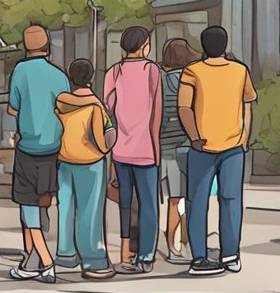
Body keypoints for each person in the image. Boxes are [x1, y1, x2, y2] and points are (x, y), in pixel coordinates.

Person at [178, 26, 257, 276]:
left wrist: (194, 137)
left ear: (203, 46)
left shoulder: (192, 71)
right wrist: (244, 136)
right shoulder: (240, 70)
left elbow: (184, 108)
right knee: (231, 201)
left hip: (201, 147)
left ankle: (199, 257)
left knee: (197, 202)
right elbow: (247, 106)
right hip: (234, 146)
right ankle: (231, 254)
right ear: (224, 45)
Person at [6, 24, 68, 283]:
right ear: (47, 46)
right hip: (54, 147)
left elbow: (13, 108)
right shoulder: (59, 75)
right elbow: (64, 108)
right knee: (42, 201)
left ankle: (43, 260)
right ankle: (31, 258)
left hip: (28, 147)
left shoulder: (20, 71)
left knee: (27, 205)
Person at [103, 26, 163, 274]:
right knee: (148, 204)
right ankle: (146, 256)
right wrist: (156, 147)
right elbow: (156, 113)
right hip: (146, 148)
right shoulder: (152, 70)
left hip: (120, 150)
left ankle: (125, 255)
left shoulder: (113, 72)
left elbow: (109, 107)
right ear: (144, 45)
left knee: (125, 203)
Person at [54, 59, 116, 280]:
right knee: (90, 212)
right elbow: (103, 138)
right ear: (90, 78)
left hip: (63, 161)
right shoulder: (95, 106)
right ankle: (94, 261)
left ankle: (65, 253)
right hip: (90, 163)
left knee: (66, 207)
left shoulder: (60, 103)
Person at [159, 38, 200, 263]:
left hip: (164, 146)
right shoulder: (190, 80)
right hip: (188, 145)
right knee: (188, 197)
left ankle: (173, 243)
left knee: (174, 199)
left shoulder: (161, 82)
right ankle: (183, 244)